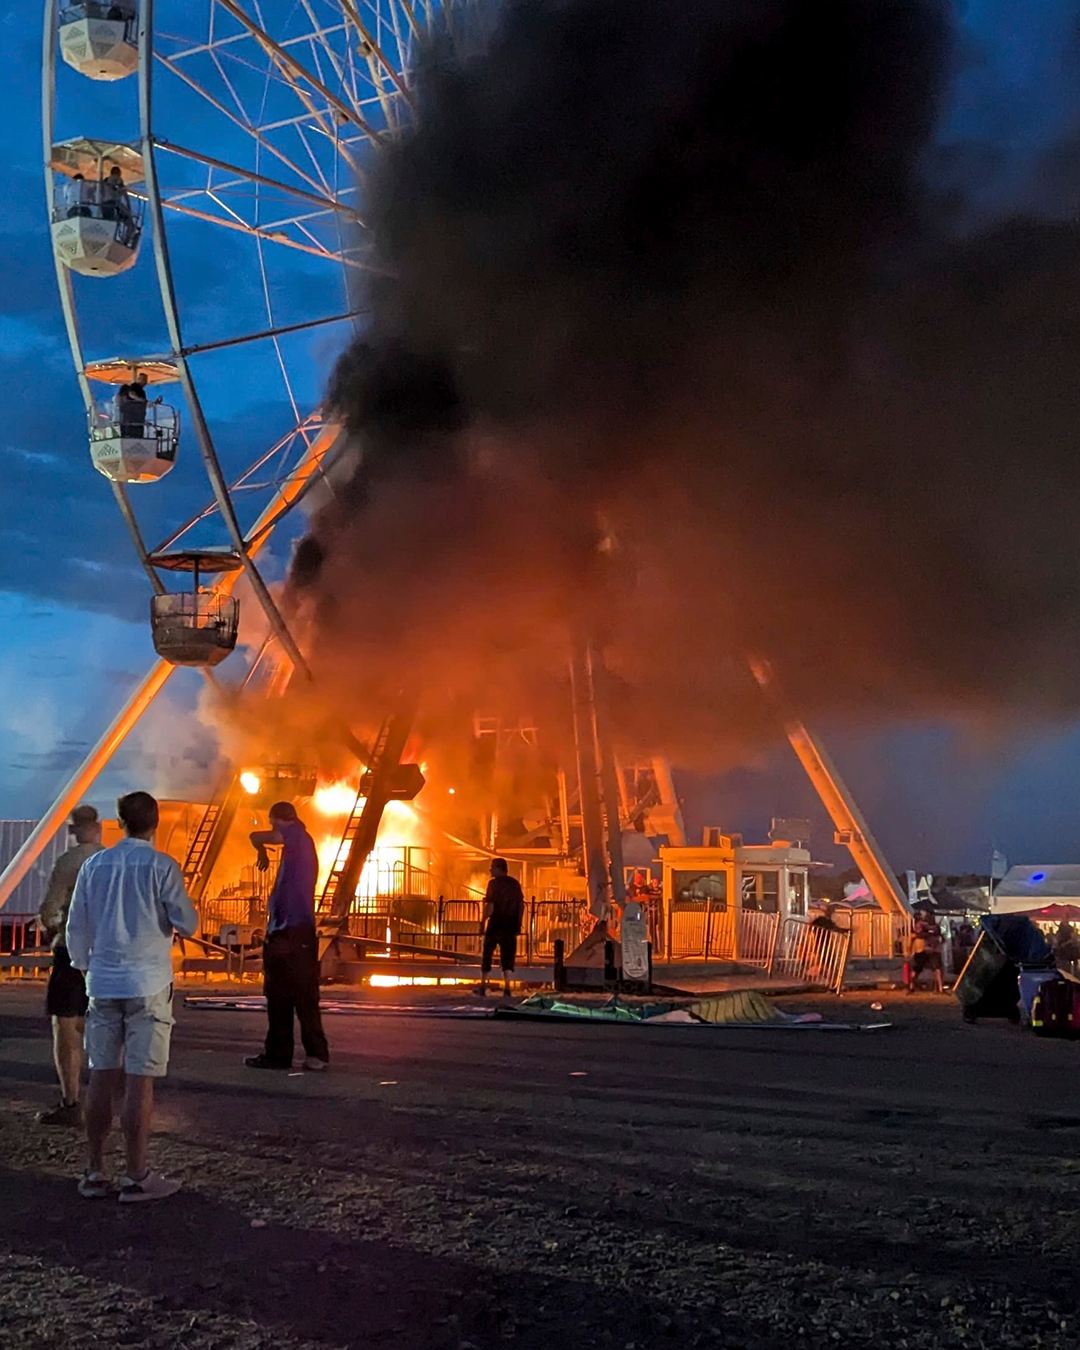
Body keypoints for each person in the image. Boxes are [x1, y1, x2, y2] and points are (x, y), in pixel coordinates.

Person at [65, 791, 197, 1201]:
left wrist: (85, 966)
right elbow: (187, 923)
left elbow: (76, 926)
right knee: (140, 1079)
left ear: (119, 822)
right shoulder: (162, 867)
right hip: (148, 985)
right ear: (155, 823)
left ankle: (94, 1171)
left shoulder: (94, 866)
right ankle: (137, 1176)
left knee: (101, 1074)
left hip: (103, 983)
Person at [245, 802, 329, 1071]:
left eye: (273, 822)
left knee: (281, 997)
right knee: (301, 996)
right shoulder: (299, 844)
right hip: (295, 932)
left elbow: (258, 836)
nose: (272, 828)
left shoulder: (297, 836)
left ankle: (279, 1055)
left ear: (281, 820)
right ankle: (314, 1054)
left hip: (290, 932)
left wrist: (261, 847)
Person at [36, 804, 103, 1127]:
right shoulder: (111, 860)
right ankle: (105, 1102)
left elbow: (50, 909)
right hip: (107, 955)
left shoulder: (67, 862)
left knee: (66, 1026)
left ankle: (71, 1101)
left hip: (71, 952)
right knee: (103, 1027)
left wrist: (52, 924)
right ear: (99, 827)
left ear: (74, 830)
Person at [478, 858, 524, 999]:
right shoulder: (515, 884)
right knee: (508, 956)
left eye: (492, 867)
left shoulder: (493, 884)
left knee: (487, 953)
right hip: (510, 924)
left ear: (499, 868)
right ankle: (507, 987)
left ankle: (483, 986)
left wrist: (482, 921)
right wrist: (518, 923)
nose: (490, 870)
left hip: (496, 923)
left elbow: (490, 906)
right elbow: (520, 906)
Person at [907, 905, 945, 994]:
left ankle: (940, 988)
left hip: (933, 950)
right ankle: (911, 986)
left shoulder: (935, 926)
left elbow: (940, 936)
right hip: (922, 950)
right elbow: (917, 935)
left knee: (937, 969)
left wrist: (938, 941)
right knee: (917, 969)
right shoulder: (921, 925)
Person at [116, 370, 159, 439]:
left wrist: (153, 403)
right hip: (132, 417)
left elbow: (144, 404)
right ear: (139, 379)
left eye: (145, 380)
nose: (145, 382)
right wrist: (141, 400)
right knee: (132, 434)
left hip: (139, 418)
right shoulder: (135, 386)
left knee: (137, 434)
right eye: (144, 379)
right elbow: (131, 394)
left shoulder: (142, 391)